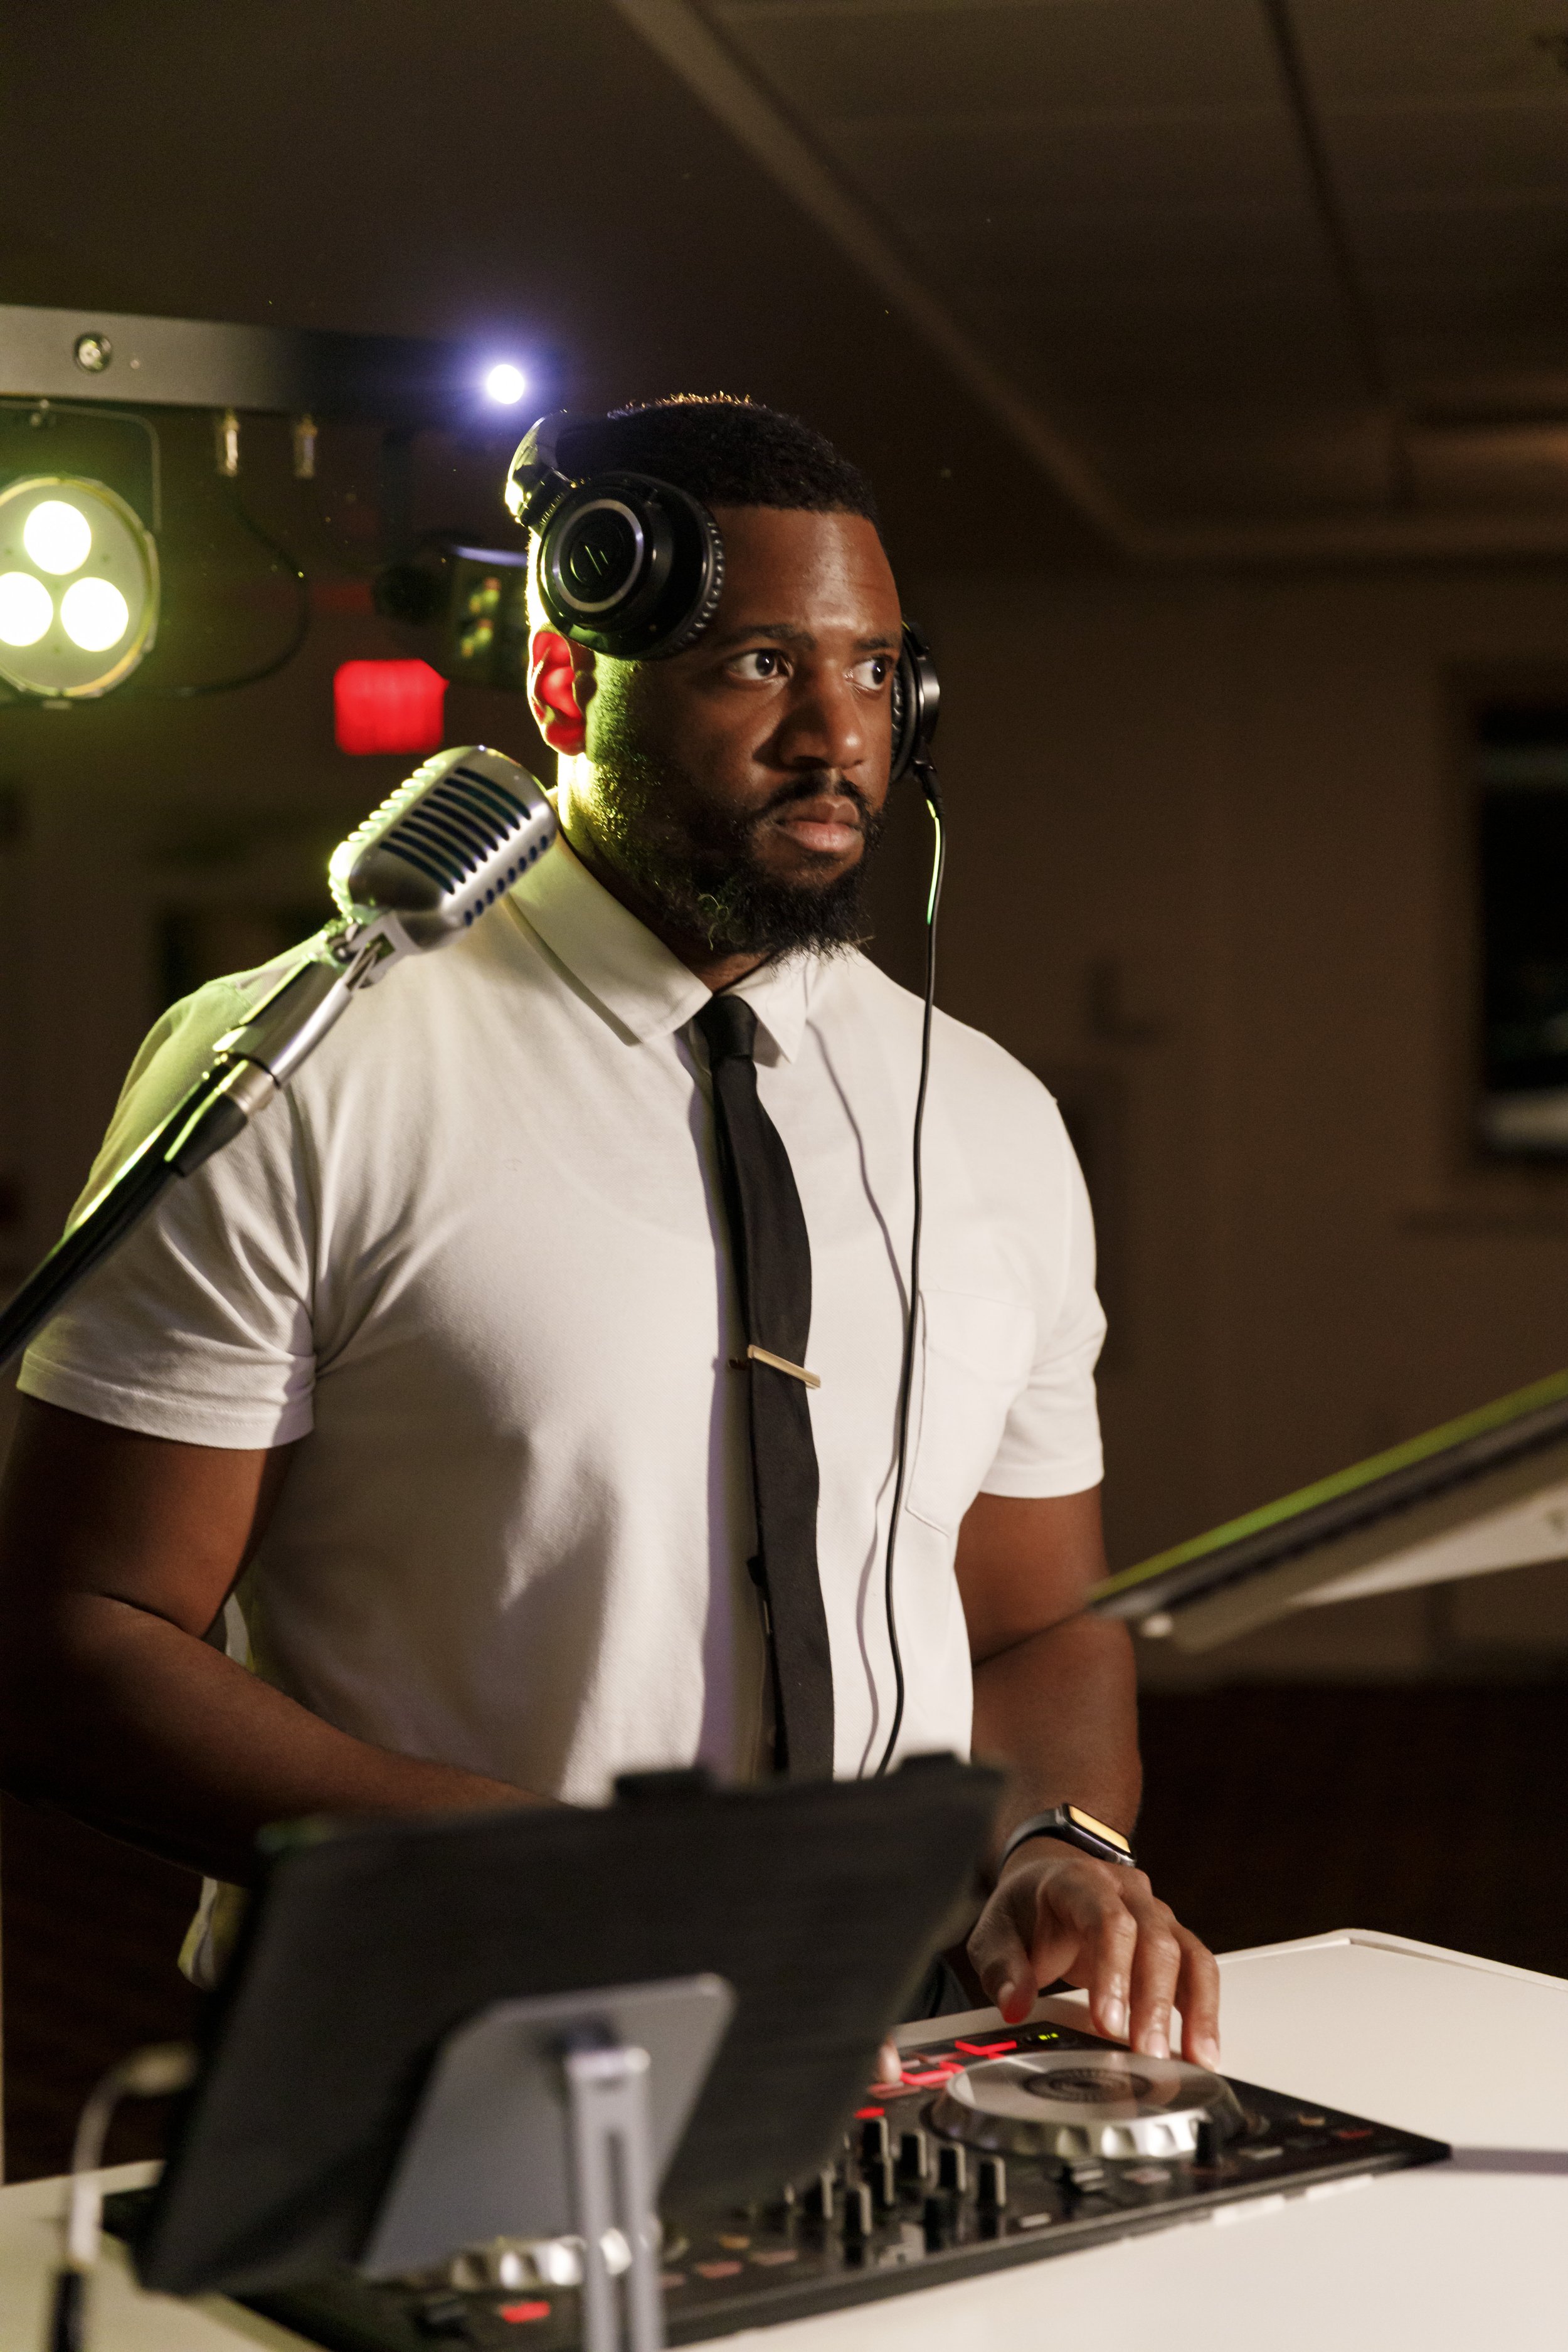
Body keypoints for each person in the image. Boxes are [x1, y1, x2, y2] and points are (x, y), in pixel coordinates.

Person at [0, 397, 1217, 2065]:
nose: (833, 738)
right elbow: (78, 1635)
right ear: (566, 686)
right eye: (758, 665)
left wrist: (1055, 1843)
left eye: (872, 675)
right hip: (433, 2039)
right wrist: (547, 1888)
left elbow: (1031, 1624)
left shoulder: (990, 1118)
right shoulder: (306, 1061)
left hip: (890, 2047)